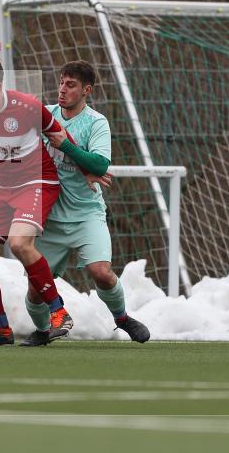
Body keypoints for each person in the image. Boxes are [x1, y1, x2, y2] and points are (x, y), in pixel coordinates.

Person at [0, 55, 77, 347]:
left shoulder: (28, 106)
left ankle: (59, 313)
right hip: (4, 188)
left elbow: (62, 136)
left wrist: (89, 170)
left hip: (37, 182)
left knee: (19, 244)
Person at [34, 61, 150, 343]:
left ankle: (122, 318)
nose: (62, 89)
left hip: (86, 214)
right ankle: (42, 330)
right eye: (61, 82)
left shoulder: (96, 122)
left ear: (87, 90)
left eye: (70, 84)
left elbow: (100, 164)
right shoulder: (45, 114)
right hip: (49, 217)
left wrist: (69, 148)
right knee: (36, 288)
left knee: (101, 272)